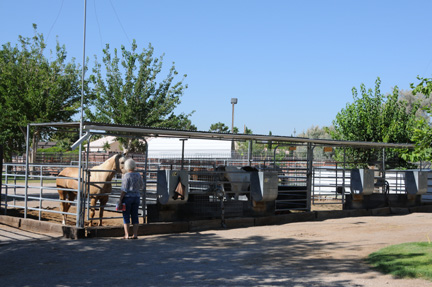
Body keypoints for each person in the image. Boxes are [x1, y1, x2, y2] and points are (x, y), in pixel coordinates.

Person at [118, 158, 144, 239]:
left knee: (126, 216)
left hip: (127, 198)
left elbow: (124, 190)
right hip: (136, 197)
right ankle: (135, 234)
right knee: (135, 215)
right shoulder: (138, 175)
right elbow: (142, 186)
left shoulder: (126, 176)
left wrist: (120, 199)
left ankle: (127, 234)